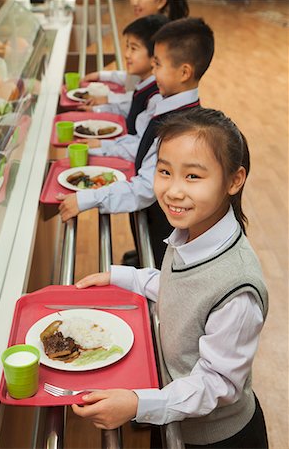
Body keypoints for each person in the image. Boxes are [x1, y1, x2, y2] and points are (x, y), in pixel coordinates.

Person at [71, 107, 269, 449]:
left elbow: (216, 385)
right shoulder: (193, 232)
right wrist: (122, 277)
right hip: (173, 414)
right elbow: (178, 284)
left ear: (235, 180)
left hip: (215, 438)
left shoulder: (238, 287)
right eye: (165, 171)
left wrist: (138, 404)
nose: (174, 190)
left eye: (193, 176)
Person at [57, 17, 215, 269]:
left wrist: (87, 199)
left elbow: (144, 189)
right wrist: (102, 148)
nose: (153, 74)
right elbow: (141, 143)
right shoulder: (170, 108)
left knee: (162, 270)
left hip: (168, 230)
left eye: (159, 66)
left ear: (184, 72)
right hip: (158, 221)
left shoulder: (179, 128)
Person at [80, 0, 189, 112]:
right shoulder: (147, 38)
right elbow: (133, 82)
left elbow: (138, 98)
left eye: (133, 48)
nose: (134, 2)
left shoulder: (157, 90)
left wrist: (107, 101)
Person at [78, 14, 168, 137]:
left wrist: (101, 146)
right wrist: (97, 110)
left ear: (155, 55)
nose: (126, 54)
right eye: (127, 47)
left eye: (133, 48)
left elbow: (139, 143)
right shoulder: (143, 85)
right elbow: (130, 110)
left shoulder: (155, 96)